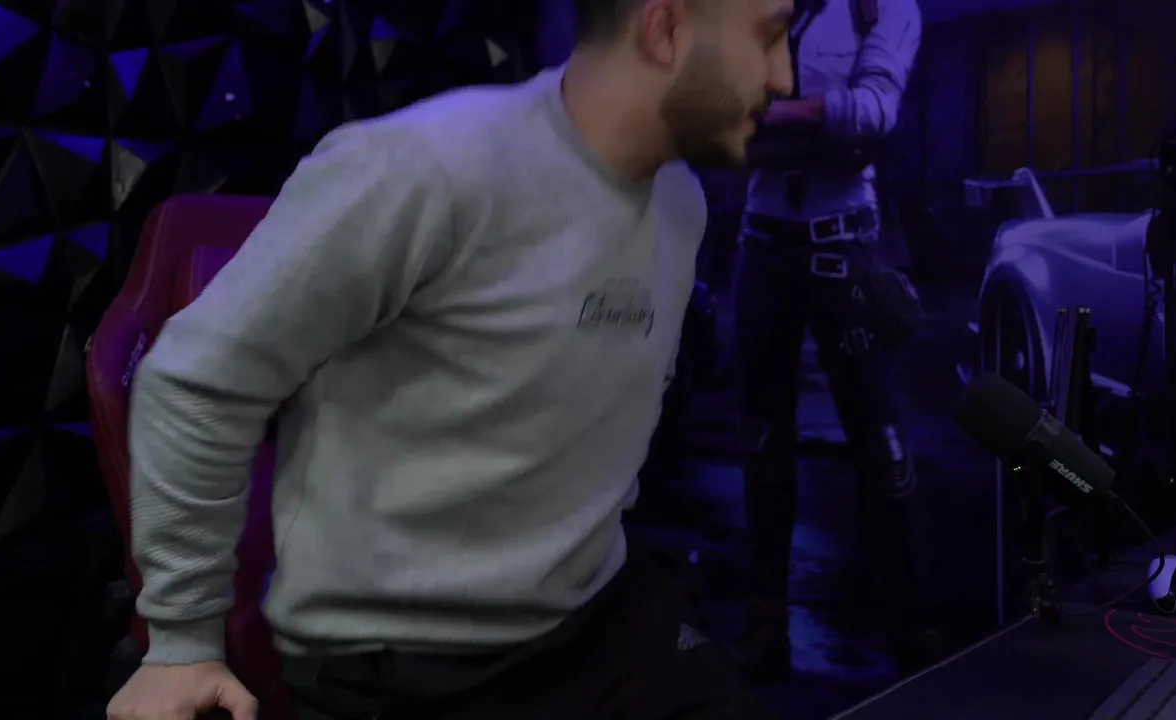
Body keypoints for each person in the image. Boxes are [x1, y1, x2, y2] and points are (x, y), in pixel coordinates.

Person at [104, 1, 794, 719]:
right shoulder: (428, 168)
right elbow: (196, 381)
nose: (785, 79)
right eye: (771, 35)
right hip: (406, 658)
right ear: (666, 28)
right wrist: (181, 645)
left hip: (592, 614)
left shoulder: (680, 203)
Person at [731, 0, 937, 681]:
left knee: (881, 444)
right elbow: (715, 116)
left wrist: (772, 118)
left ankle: (912, 626)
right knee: (762, 445)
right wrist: (815, 121)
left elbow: (875, 113)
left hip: (843, 242)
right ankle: (766, 625)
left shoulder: (881, 8)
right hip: (762, 242)